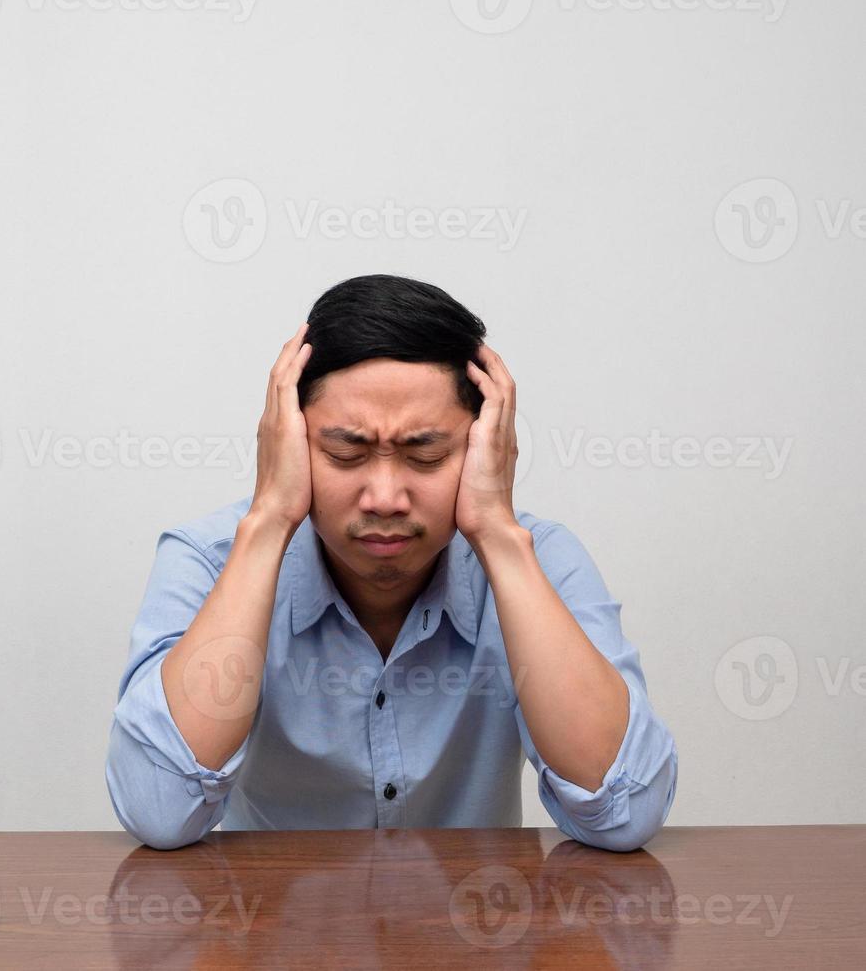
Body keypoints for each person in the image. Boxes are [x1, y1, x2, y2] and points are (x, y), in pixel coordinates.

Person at [105, 274, 678, 851]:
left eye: (425, 455)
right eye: (344, 453)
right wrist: (271, 518)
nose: (384, 497)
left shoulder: (541, 561)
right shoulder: (208, 561)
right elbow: (160, 809)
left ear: (487, 446)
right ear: (289, 442)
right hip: (271, 933)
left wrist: (499, 539)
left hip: (480, 929)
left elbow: (624, 814)